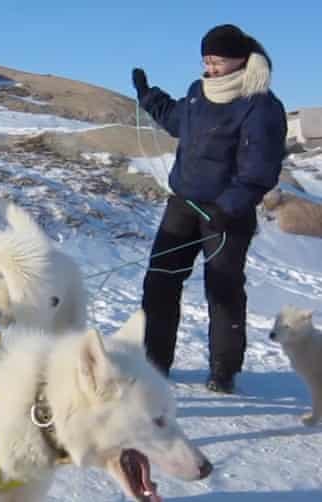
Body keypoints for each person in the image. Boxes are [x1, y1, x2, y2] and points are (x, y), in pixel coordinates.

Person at [132, 24, 287, 393]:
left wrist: (229, 206)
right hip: (183, 204)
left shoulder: (260, 104)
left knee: (223, 290)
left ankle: (223, 370)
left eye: (217, 60)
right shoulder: (198, 92)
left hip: (225, 213)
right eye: (206, 60)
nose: (211, 67)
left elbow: (260, 169)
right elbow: (176, 119)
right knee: (159, 282)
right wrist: (147, 94)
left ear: (240, 58)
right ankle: (154, 361)